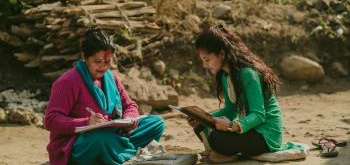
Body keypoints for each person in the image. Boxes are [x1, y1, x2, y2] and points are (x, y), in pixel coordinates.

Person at [44, 27, 165, 165]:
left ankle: (118, 153)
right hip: (79, 145)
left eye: (107, 62)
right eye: (98, 61)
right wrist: (87, 122)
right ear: (85, 57)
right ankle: (128, 154)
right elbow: (51, 120)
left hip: (114, 135)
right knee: (101, 140)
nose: (103, 67)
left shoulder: (111, 78)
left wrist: (129, 118)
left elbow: (129, 105)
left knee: (156, 123)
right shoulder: (67, 82)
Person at [187, 24, 284, 163]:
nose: (204, 65)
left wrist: (232, 126)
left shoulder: (247, 73)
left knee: (217, 138)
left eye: (207, 59)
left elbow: (259, 115)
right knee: (200, 126)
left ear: (221, 53)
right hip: (249, 131)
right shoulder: (224, 75)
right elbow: (230, 109)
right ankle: (222, 153)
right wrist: (203, 118)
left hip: (266, 134)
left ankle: (224, 154)